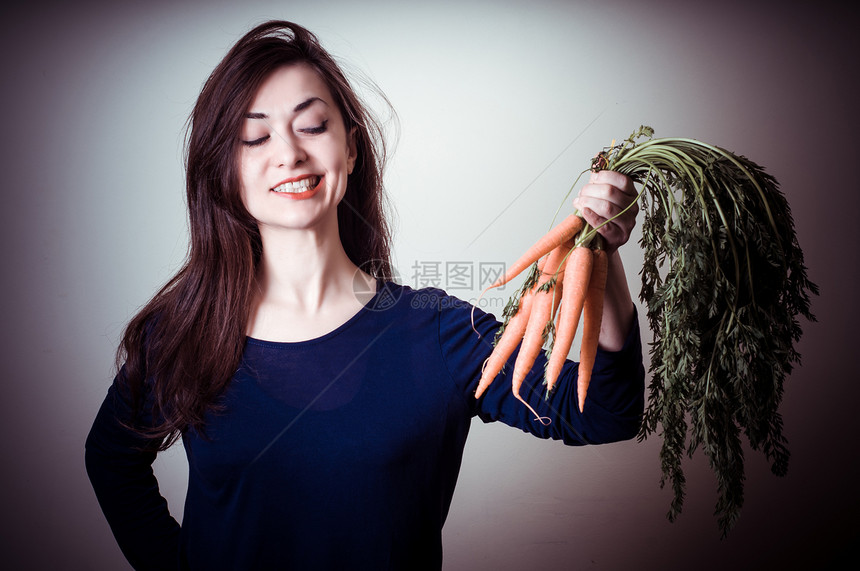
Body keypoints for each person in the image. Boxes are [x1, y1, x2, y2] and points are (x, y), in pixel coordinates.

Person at [85, 20, 645, 570]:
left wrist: (602, 250)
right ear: (225, 172)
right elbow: (112, 460)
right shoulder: (185, 333)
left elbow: (605, 414)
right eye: (254, 137)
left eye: (312, 126)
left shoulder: (439, 333)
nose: (289, 154)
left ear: (350, 150)